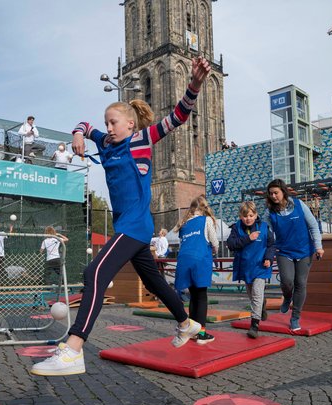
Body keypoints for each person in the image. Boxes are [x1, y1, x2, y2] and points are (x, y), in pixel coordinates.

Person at [30, 56, 211, 376]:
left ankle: (73, 349)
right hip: (132, 227)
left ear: (130, 125)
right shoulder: (106, 141)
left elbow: (179, 116)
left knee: (94, 274)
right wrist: (77, 133)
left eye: (113, 122)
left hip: (136, 225)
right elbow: (86, 126)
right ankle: (186, 323)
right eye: (107, 121)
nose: (108, 127)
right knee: (154, 281)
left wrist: (194, 83)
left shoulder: (141, 139)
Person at [262, 178, 324, 331]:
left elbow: (313, 226)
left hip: (304, 251)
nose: (273, 196)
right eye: (271, 194)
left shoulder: (299, 205)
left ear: (283, 192)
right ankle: (287, 297)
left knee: (300, 284)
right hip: (284, 251)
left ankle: (295, 317)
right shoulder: (269, 212)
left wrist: (319, 247)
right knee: (287, 281)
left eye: (276, 193)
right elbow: (266, 234)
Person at [172, 195, 219, 344]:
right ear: (205, 208)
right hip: (199, 259)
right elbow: (214, 242)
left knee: (193, 296)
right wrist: (214, 250)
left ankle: (191, 330)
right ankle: (202, 334)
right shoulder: (206, 220)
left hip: (184, 260)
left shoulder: (184, 224)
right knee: (201, 296)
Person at [227, 201, 275, 339]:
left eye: (251, 215)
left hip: (260, 267)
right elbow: (231, 244)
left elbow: (271, 245)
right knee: (252, 296)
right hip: (245, 268)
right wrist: (248, 238)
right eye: (245, 215)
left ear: (256, 215)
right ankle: (262, 305)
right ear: (240, 216)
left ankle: (254, 325)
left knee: (256, 293)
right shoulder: (236, 228)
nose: (248, 218)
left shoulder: (264, 227)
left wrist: (269, 258)